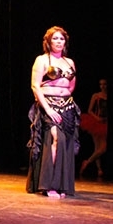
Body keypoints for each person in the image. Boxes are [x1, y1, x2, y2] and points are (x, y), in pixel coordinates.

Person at [26, 26, 80, 199]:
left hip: (67, 106)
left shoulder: (69, 62)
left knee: (65, 143)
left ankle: (62, 185)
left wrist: (66, 97)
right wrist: (48, 109)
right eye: (55, 39)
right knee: (55, 139)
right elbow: (35, 85)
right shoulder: (42, 60)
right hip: (49, 105)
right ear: (48, 42)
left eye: (61, 39)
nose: (59, 42)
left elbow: (71, 85)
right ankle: (49, 185)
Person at [80, 78, 108, 177]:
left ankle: (98, 169)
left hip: (105, 122)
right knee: (101, 148)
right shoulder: (96, 96)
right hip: (95, 122)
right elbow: (89, 110)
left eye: (104, 84)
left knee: (99, 149)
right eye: (101, 84)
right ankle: (89, 163)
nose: (103, 86)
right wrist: (97, 118)